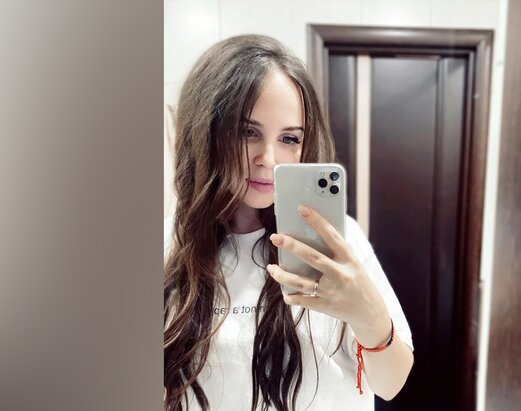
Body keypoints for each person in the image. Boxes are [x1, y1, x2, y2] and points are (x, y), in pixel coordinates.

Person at [164, 34, 414, 411]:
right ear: (207, 133)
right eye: (247, 133)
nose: (269, 158)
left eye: (289, 138)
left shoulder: (337, 239)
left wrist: (368, 315)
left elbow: (391, 384)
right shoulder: (170, 242)